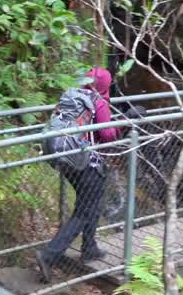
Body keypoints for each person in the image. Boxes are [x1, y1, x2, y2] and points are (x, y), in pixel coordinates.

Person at [35, 67, 120, 283]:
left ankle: (89, 247)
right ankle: (49, 256)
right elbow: (108, 134)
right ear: (105, 85)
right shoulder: (98, 101)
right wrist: (122, 126)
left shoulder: (72, 96)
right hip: (88, 164)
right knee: (84, 211)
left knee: (92, 202)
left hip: (69, 161)